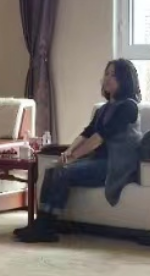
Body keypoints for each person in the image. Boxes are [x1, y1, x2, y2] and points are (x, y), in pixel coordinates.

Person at [15, 59, 141, 243]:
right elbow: (86, 133)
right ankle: (41, 223)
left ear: (125, 80)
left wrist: (73, 157)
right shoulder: (103, 109)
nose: (107, 78)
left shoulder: (129, 107)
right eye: (106, 73)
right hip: (97, 160)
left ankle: (47, 227)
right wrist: (67, 152)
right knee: (52, 169)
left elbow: (98, 138)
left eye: (113, 75)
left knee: (63, 172)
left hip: (115, 165)